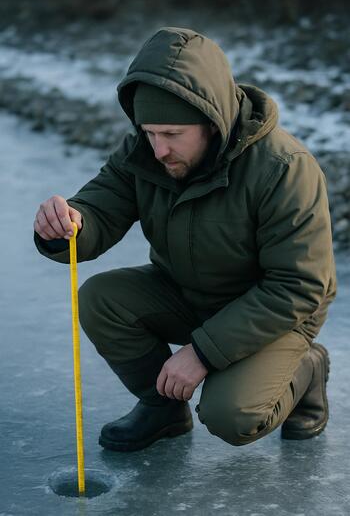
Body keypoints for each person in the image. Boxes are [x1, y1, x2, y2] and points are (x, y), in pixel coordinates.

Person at [34, 26, 337, 452]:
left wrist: (202, 353)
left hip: (272, 314)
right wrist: (67, 223)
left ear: (213, 121)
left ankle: (307, 369)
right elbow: (101, 208)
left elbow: (299, 286)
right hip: (188, 291)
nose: (158, 150)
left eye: (172, 135)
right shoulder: (146, 149)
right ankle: (162, 410)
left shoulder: (284, 168)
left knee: (232, 417)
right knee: (102, 298)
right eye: (150, 132)